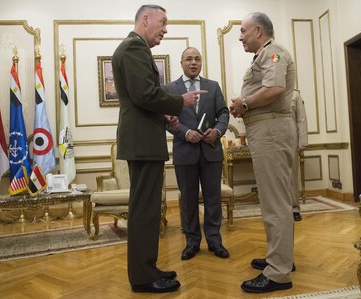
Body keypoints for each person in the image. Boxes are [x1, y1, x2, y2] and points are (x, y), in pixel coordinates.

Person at [112, 4, 206, 294]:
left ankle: (148, 268)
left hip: (143, 139)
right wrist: (180, 102)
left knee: (149, 210)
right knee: (143, 211)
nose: (165, 29)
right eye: (163, 22)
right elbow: (144, 94)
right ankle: (142, 278)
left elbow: (142, 99)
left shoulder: (133, 48)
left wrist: (164, 115)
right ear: (145, 19)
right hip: (142, 142)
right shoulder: (134, 48)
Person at [229, 12, 297, 293]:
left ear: (258, 30)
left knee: (275, 202)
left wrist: (243, 104)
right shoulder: (263, 55)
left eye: (243, 31)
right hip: (266, 131)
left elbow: (274, 89)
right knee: (273, 200)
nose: (240, 36)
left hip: (271, 131)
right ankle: (280, 258)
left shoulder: (274, 52)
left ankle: (278, 273)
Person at [163, 47, 230, 261]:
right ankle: (191, 242)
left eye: (197, 59)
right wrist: (185, 132)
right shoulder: (170, 89)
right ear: (181, 63)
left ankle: (214, 241)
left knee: (213, 198)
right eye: (189, 59)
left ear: (201, 63)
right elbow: (167, 119)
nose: (193, 62)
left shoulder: (213, 86)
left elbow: (223, 113)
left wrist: (218, 131)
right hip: (185, 152)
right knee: (188, 200)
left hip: (211, 151)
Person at [291, 89, 308, 221]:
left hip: (291, 140)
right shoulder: (267, 92)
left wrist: (302, 142)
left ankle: (294, 208)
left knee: (292, 175)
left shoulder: (295, 94)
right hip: (273, 140)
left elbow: (301, 119)